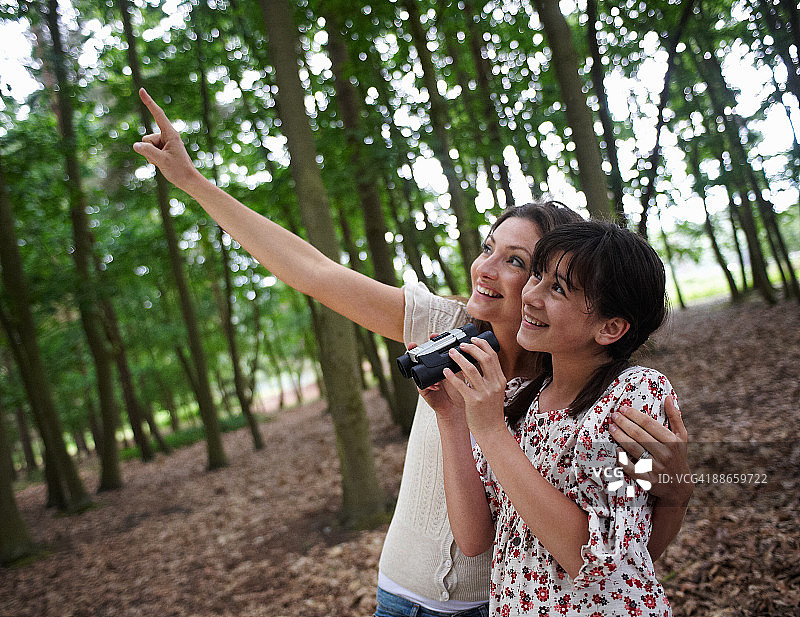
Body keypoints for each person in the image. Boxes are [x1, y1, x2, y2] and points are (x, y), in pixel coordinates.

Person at [131, 89, 691, 617]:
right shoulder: (442, 325)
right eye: (488, 248)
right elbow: (313, 272)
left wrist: (675, 491)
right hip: (404, 596)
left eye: (519, 262)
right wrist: (194, 183)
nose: (486, 269)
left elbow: (626, 553)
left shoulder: (574, 385)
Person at [426, 221, 683, 616]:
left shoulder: (634, 396)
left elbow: (593, 556)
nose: (530, 295)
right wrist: (452, 416)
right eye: (538, 276)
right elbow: (474, 538)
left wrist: (491, 430)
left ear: (610, 327)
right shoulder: (521, 400)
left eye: (558, 289)